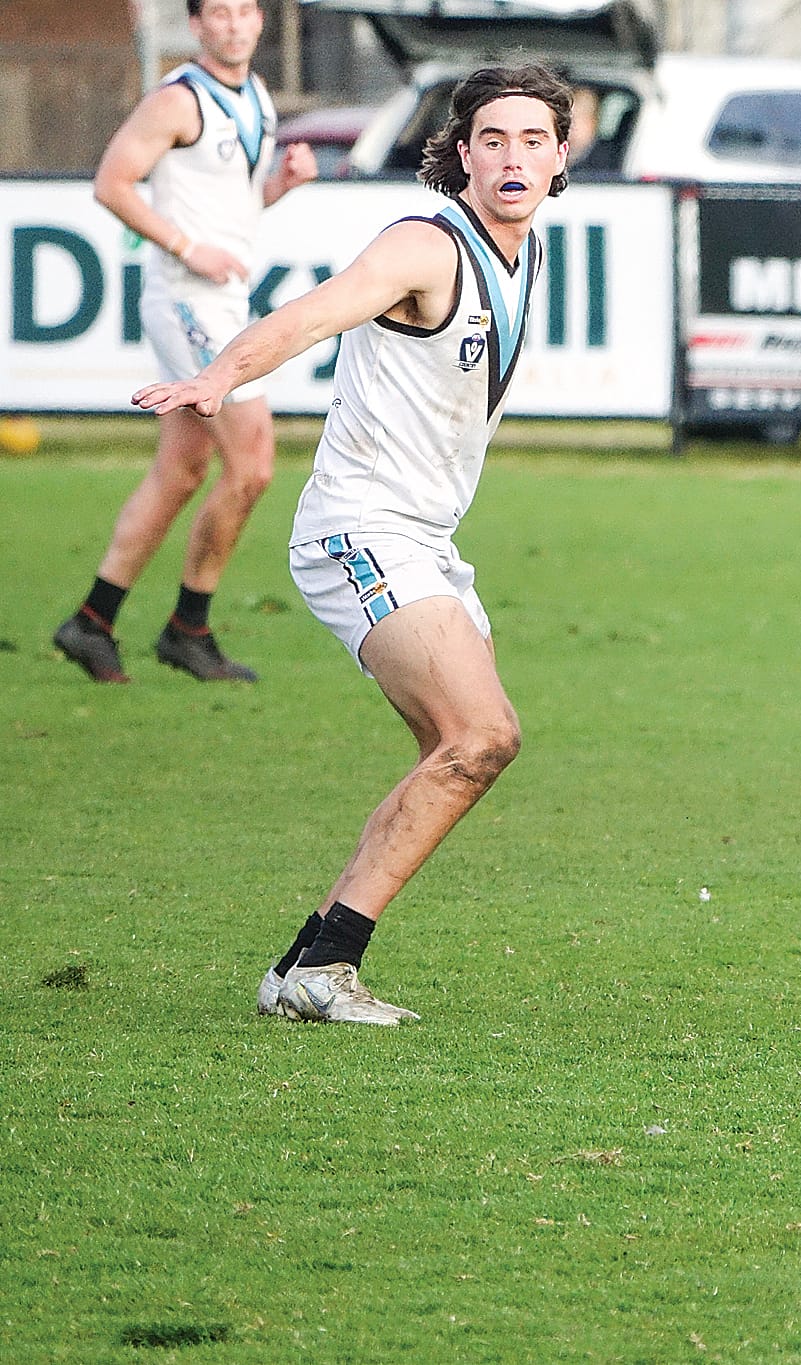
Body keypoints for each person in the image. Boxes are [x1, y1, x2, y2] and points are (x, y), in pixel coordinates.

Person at [130, 62, 574, 1024]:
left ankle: (304, 962)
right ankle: (325, 971)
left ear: (560, 157)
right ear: (462, 154)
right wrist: (220, 375)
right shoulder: (424, 245)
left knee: (450, 750)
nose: (513, 157)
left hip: (425, 536)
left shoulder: (526, 252)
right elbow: (315, 313)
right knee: (482, 735)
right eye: (493, 139)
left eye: (533, 140)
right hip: (361, 529)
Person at [52, 0, 317, 684]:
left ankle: (92, 621)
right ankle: (187, 629)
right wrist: (185, 247)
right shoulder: (178, 100)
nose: (234, 24)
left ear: (260, 20)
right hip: (186, 301)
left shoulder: (256, 95)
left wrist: (280, 186)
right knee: (253, 464)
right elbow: (112, 183)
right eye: (218, 13)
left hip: (221, 298)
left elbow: (230, 205)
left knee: (182, 469)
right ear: (196, 26)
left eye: (244, 10)